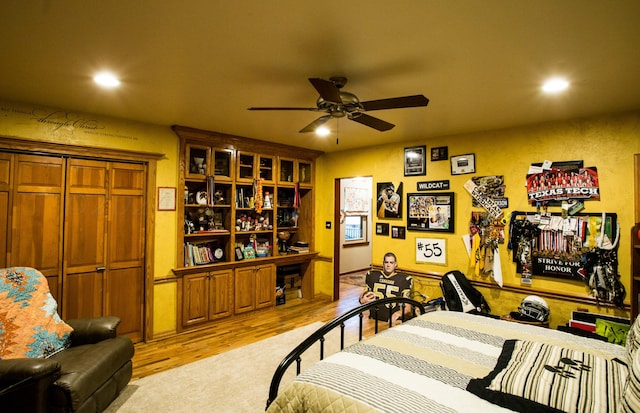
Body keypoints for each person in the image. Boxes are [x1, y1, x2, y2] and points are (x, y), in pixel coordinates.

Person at [359, 252, 413, 323]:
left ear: (395, 264)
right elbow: (362, 298)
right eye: (386, 262)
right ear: (383, 263)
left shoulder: (403, 280)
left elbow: (408, 308)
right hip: (374, 318)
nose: (388, 265)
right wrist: (362, 300)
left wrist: (397, 314)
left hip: (393, 320)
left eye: (391, 262)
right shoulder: (373, 276)